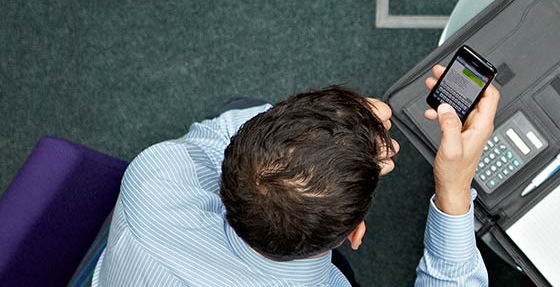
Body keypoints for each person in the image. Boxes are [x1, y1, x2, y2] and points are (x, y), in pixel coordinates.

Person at [94, 64, 495, 286]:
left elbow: (225, 131)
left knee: (243, 107)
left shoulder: (157, 173)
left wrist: (333, 126)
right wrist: (455, 189)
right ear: (354, 234)